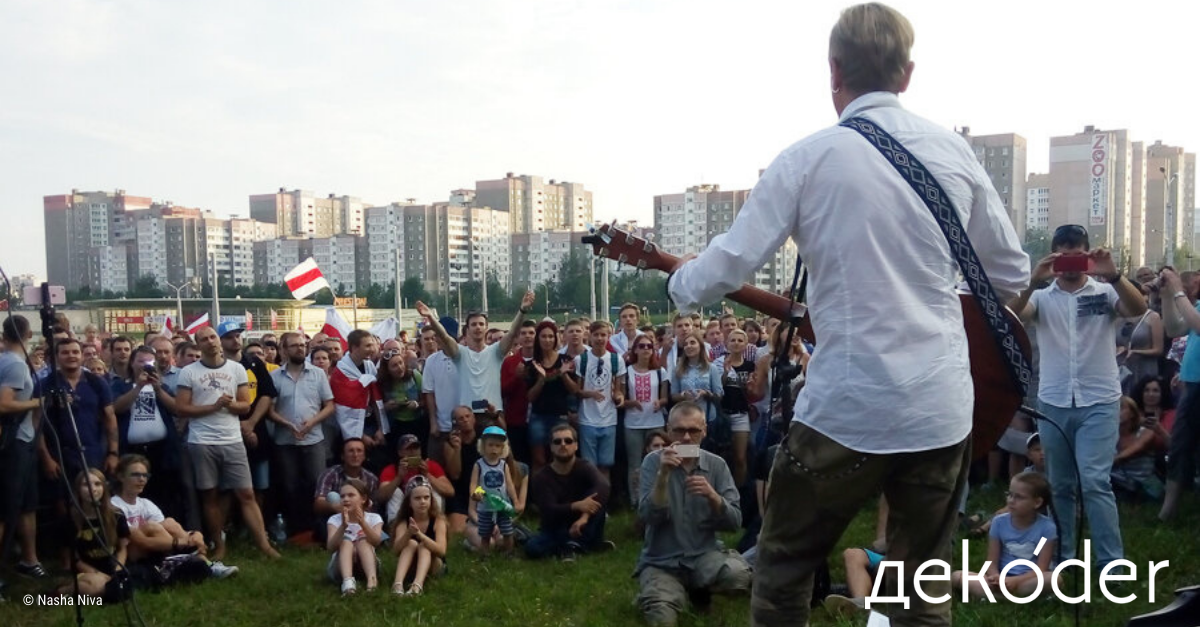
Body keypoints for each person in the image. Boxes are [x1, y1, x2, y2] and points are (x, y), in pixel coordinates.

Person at [664, 6, 1029, 625]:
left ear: (833, 71)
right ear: (907, 74)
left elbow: (728, 263)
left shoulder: (809, 157)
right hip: (941, 410)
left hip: (847, 412)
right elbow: (1012, 273)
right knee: (922, 593)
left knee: (781, 572)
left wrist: (680, 282)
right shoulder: (954, 153)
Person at [1009, 224, 1144, 569]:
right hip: (1054, 400)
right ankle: (1064, 559)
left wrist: (1113, 275)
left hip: (1098, 399)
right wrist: (1034, 280)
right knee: (1060, 485)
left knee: (1095, 481)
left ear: (1086, 253)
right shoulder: (1041, 295)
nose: (1070, 262)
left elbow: (1137, 308)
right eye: (1063, 254)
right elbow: (1012, 316)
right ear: (1054, 255)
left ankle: (1110, 562)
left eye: (1077, 254)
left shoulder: (1104, 290)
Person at [635, 402, 751, 626]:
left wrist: (714, 497)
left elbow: (735, 522)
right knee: (662, 619)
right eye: (679, 430)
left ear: (704, 431)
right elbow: (649, 517)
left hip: (703, 556)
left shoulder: (717, 465)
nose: (687, 438)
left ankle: (695, 589)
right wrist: (663, 477)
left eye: (694, 431)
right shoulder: (653, 462)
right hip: (662, 560)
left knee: (739, 576)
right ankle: (660, 594)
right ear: (669, 431)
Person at [175, 325, 279, 560]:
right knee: (210, 495)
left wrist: (229, 406)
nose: (210, 342)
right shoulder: (189, 372)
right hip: (201, 441)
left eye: (213, 337)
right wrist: (213, 407)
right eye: (205, 339)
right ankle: (219, 545)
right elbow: (182, 408)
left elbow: (246, 405)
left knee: (247, 494)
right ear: (198, 344)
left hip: (232, 439)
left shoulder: (236, 369)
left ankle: (264, 545)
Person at [418, 290, 537, 430]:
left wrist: (522, 310)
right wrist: (431, 318)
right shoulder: (460, 353)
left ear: (487, 327)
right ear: (467, 329)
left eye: (481, 324)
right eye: (473, 324)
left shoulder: (495, 352)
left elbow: (511, 333)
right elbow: (444, 336)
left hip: (492, 414)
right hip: (467, 417)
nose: (477, 327)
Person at [110, 454, 239, 578]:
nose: (142, 479)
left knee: (169, 523)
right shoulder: (114, 504)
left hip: (155, 548)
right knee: (153, 528)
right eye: (135, 475)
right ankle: (193, 557)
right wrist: (182, 543)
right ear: (121, 477)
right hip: (129, 553)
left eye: (145, 475)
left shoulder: (145, 503)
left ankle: (203, 562)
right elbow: (140, 540)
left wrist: (193, 535)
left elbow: (166, 529)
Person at [270, 332, 335, 540]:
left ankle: (318, 529)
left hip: (313, 438)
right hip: (285, 440)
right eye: (294, 345)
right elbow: (269, 409)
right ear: (284, 350)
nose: (300, 348)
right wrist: (287, 424)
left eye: (302, 345)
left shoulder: (317, 374)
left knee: (317, 485)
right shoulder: (275, 377)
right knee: (290, 486)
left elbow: (330, 405)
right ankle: (295, 529)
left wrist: (313, 422)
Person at [952, 472, 1058, 600]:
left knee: (1054, 579)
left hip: (1028, 579)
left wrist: (1015, 581)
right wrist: (996, 578)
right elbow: (991, 561)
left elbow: (1041, 568)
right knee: (957, 576)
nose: (1011, 501)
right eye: (1010, 495)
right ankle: (1014, 596)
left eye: (1019, 497)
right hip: (1000, 578)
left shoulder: (1046, 528)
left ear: (1037, 502)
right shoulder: (999, 522)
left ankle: (997, 596)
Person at [112, 346, 184, 519]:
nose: (145, 365)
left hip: (162, 450)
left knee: (165, 494)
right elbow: (117, 408)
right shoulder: (120, 386)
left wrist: (157, 388)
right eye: (141, 361)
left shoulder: (162, 386)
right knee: (136, 492)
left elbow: (177, 409)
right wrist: (138, 387)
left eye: (149, 361)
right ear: (132, 363)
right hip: (132, 451)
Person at [525, 423, 613, 560]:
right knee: (533, 548)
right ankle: (581, 545)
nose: (563, 445)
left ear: (576, 445)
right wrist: (576, 505)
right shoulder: (541, 477)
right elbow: (549, 510)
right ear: (551, 447)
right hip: (555, 527)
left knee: (598, 498)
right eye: (557, 441)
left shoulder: (584, 466)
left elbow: (604, 486)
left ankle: (575, 546)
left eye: (568, 441)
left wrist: (584, 517)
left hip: (582, 524)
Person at [0, 316, 45, 579]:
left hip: (23, 440)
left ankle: (30, 560)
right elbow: (4, 404)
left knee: (27, 505)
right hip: (14, 443)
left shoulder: (9, 361)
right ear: (28, 334)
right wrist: (36, 403)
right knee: (7, 509)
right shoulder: (14, 364)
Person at [38, 338, 119, 480]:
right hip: (58, 456)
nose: (71, 356)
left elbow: (110, 419)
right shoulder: (46, 384)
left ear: (82, 355)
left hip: (93, 454)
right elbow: (37, 424)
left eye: (75, 352)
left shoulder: (97, 383)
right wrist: (46, 458)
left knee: (93, 497)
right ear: (56, 357)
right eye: (65, 352)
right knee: (62, 500)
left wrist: (113, 453)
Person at [1155, 267, 1200, 520]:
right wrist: (1165, 296)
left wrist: (1179, 292)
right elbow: (1174, 329)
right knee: (1181, 445)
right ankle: (1168, 511)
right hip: (1192, 384)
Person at [62, 468, 131, 600]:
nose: (93, 489)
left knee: (118, 589)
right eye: (86, 485)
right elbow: (74, 558)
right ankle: (62, 591)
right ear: (78, 489)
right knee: (97, 586)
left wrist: (118, 570)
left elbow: (122, 549)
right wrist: (97, 574)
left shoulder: (116, 515)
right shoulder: (70, 519)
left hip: (112, 567)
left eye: (97, 484)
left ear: (104, 487)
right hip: (86, 570)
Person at [526, 320, 581, 473]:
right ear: (538, 339)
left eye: (551, 336)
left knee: (562, 457)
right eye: (544, 336)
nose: (547, 340)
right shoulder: (533, 364)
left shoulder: (566, 360)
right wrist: (541, 379)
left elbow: (575, 390)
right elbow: (530, 397)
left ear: (556, 338)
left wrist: (563, 374)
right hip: (538, 416)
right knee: (539, 460)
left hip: (560, 416)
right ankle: (537, 494)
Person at [574, 321, 626, 479]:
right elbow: (578, 391)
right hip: (587, 419)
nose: (599, 338)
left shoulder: (617, 360)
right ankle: (591, 498)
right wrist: (590, 394)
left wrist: (619, 397)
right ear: (589, 336)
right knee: (589, 465)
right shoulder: (581, 360)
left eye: (603, 335)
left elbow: (619, 390)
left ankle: (604, 500)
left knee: (605, 464)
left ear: (608, 336)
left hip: (609, 419)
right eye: (596, 335)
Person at [329, 330, 388, 469]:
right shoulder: (340, 374)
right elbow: (343, 411)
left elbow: (375, 398)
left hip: (372, 425)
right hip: (351, 432)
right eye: (367, 346)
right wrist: (360, 436)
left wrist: (381, 428)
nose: (372, 349)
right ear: (355, 347)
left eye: (373, 345)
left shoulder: (369, 366)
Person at [622, 333, 668, 501]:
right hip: (633, 423)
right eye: (641, 346)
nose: (646, 349)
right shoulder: (627, 371)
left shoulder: (660, 371)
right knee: (635, 463)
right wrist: (630, 403)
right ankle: (636, 499)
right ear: (635, 350)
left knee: (659, 460)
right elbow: (620, 398)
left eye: (649, 346)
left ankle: (658, 496)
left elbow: (665, 397)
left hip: (655, 422)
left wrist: (660, 402)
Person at [390, 476, 448, 596]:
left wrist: (420, 535)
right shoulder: (403, 522)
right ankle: (397, 584)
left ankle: (417, 586)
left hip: (434, 566)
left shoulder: (438, 521)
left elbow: (442, 551)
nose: (422, 502)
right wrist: (408, 533)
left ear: (431, 500)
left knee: (424, 546)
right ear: (409, 502)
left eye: (426, 497)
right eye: (417, 498)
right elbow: (396, 550)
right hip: (411, 566)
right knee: (411, 543)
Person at [377, 434, 454, 524]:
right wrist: (399, 477)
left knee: (434, 490)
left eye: (416, 448)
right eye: (408, 449)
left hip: (425, 506)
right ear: (400, 452)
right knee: (395, 492)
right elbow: (381, 497)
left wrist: (428, 475)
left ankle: (435, 525)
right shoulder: (391, 469)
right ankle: (396, 529)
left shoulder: (431, 466)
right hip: (404, 509)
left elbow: (450, 491)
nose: (413, 452)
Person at [314, 438, 381, 541]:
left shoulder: (371, 479)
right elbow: (318, 503)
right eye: (351, 451)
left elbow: (373, 508)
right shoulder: (330, 474)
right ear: (342, 456)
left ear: (364, 456)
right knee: (332, 499)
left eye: (359, 451)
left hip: (361, 520)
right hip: (337, 519)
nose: (355, 455)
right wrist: (336, 507)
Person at [325, 478, 383, 596]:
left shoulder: (374, 518)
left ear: (363, 498)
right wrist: (343, 526)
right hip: (339, 568)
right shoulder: (334, 520)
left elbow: (376, 542)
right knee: (346, 541)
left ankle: (372, 581)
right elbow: (330, 547)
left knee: (363, 540)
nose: (346, 499)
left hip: (367, 565)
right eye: (342, 496)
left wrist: (363, 523)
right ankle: (347, 583)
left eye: (351, 495)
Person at [469, 426, 520, 555]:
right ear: (483, 446)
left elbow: (509, 485)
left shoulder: (503, 465)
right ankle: (485, 555)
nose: (494, 449)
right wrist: (474, 494)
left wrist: (516, 501)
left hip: (502, 505)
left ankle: (509, 553)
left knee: (508, 532)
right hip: (485, 506)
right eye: (490, 445)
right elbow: (473, 483)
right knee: (485, 534)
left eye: (498, 446)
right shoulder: (479, 465)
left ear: (503, 448)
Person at [716, 328, 755, 485]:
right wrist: (725, 373)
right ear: (727, 343)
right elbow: (718, 388)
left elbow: (754, 392)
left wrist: (750, 386)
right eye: (733, 340)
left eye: (740, 340)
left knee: (740, 457)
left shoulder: (751, 366)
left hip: (741, 414)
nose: (736, 343)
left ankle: (739, 493)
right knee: (722, 455)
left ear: (746, 344)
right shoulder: (719, 363)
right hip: (723, 414)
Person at [419, 323, 460, 465]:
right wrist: (433, 422)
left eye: (440, 336)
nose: (436, 339)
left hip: (463, 425)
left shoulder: (466, 356)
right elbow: (429, 392)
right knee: (436, 466)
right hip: (441, 426)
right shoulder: (431, 360)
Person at [1111, 396, 1165, 501]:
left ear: (1132, 413)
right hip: (1117, 482)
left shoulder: (1146, 432)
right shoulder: (1109, 435)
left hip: (1143, 485)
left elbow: (1134, 450)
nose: (1116, 411)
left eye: (1121, 408)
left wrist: (1103, 464)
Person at [500, 320, 536, 464]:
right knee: (519, 460)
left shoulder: (544, 359)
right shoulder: (510, 362)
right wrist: (516, 377)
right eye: (523, 333)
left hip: (539, 417)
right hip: (516, 420)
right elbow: (502, 391)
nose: (527, 336)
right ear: (517, 337)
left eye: (531, 333)